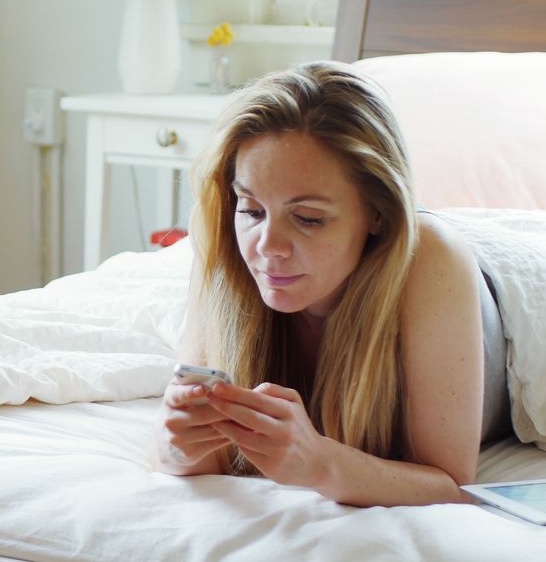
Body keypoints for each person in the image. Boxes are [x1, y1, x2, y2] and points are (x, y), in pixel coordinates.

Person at [152, 60, 510, 507]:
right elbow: (189, 459)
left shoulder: (430, 259)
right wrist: (178, 445)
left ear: (378, 214)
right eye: (252, 209)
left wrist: (318, 463)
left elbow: (452, 485)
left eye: (308, 218)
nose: (268, 246)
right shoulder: (228, 247)